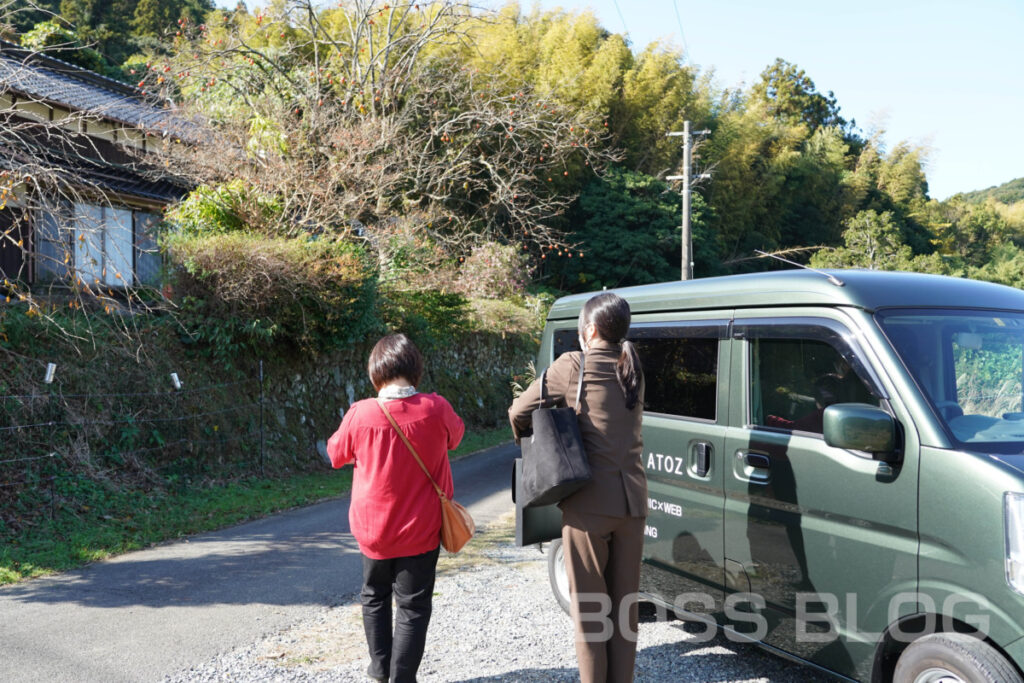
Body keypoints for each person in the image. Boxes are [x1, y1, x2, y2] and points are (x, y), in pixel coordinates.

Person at [508, 292, 646, 683]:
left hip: (588, 506)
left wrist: (534, 441)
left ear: (589, 330)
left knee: (590, 614)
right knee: (625, 612)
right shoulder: (633, 367)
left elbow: (519, 411)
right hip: (632, 503)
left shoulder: (572, 365)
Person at [327, 333, 464, 683]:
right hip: (420, 529)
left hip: (374, 531)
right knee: (413, 606)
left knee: (374, 596)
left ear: (376, 372)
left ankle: (379, 671)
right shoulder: (436, 408)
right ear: (415, 369)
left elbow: (335, 454)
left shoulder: (361, 414)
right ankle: (402, 679)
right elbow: (457, 436)